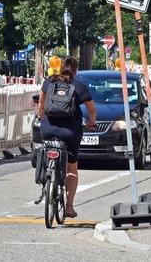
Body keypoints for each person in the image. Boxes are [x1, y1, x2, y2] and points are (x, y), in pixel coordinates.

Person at [37, 57, 97, 218]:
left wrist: (41, 118)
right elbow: (91, 109)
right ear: (75, 71)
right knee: (71, 168)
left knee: (46, 150)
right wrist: (92, 122)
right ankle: (69, 207)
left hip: (48, 129)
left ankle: (47, 178)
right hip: (70, 132)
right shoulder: (79, 86)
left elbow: (41, 105)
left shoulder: (48, 83)